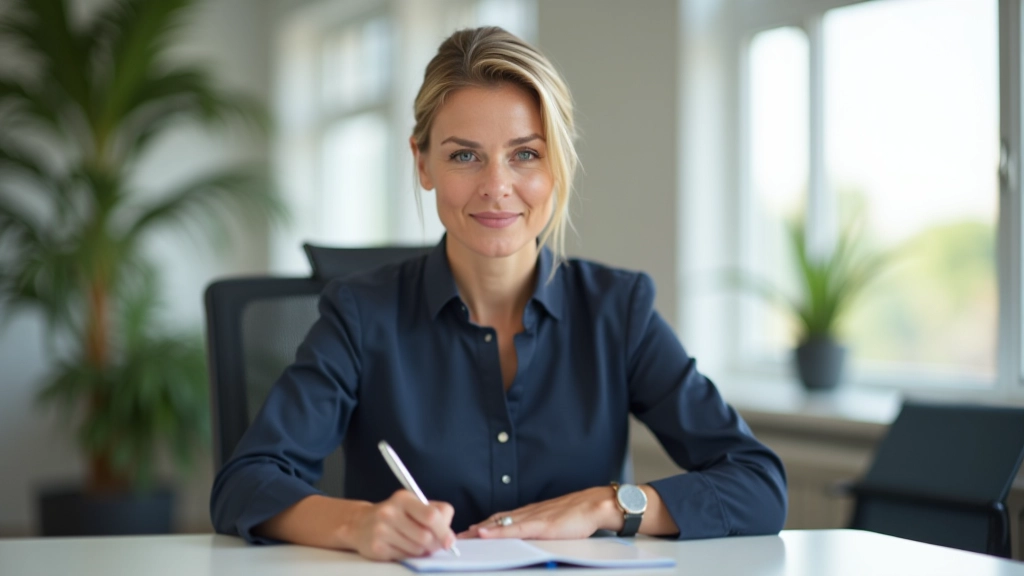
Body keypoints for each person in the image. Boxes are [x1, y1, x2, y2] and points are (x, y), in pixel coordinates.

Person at [210, 26, 787, 561]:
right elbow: (247, 482)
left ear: (556, 165)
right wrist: (357, 524)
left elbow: (756, 483)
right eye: (465, 155)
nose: (496, 188)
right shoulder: (361, 314)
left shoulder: (618, 310)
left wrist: (605, 505)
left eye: (525, 154)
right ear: (422, 162)